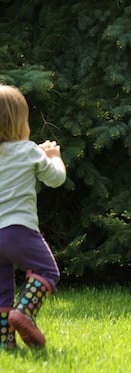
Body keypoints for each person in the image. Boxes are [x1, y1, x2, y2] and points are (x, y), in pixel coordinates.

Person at [0, 85, 67, 349]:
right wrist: (53, 157)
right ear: (20, 124)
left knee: (2, 289)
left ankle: (5, 343)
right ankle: (25, 312)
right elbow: (55, 178)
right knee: (47, 270)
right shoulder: (29, 150)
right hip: (20, 231)